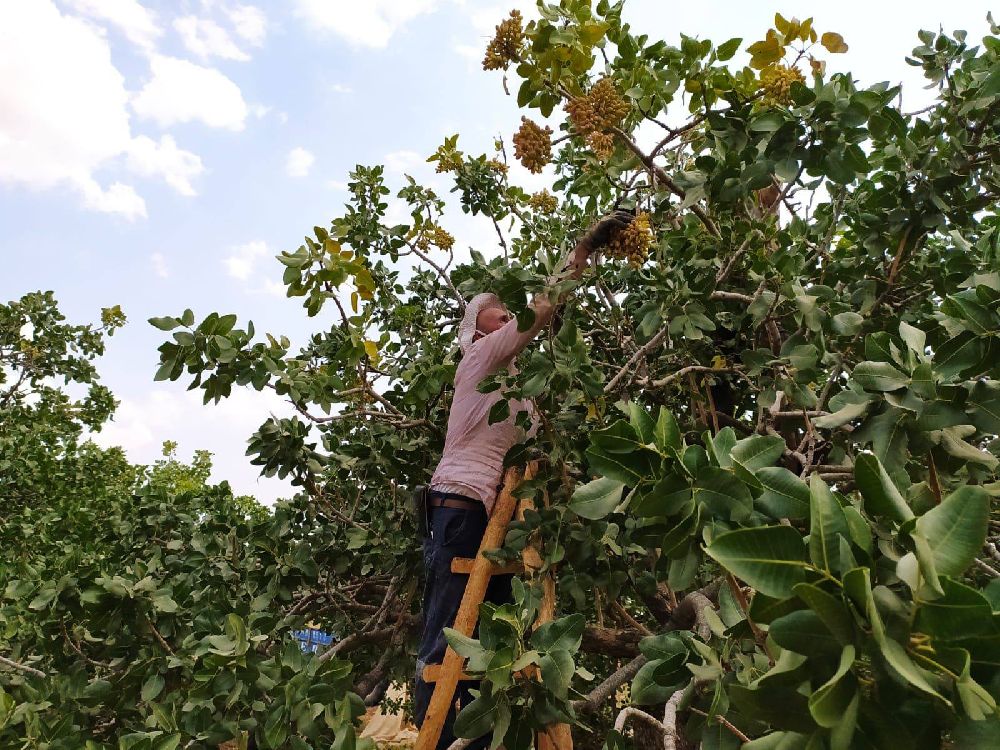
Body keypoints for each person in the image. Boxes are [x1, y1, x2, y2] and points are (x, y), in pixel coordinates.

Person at [413, 210, 634, 748]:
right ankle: (435, 738)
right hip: (461, 505)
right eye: (495, 314)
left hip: (493, 517)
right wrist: (580, 251)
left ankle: (480, 738)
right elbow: (537, 316)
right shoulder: (479, 359)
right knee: (446, 634)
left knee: (497, 636)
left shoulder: (518, 386)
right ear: (477, 328)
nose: (505, 317)